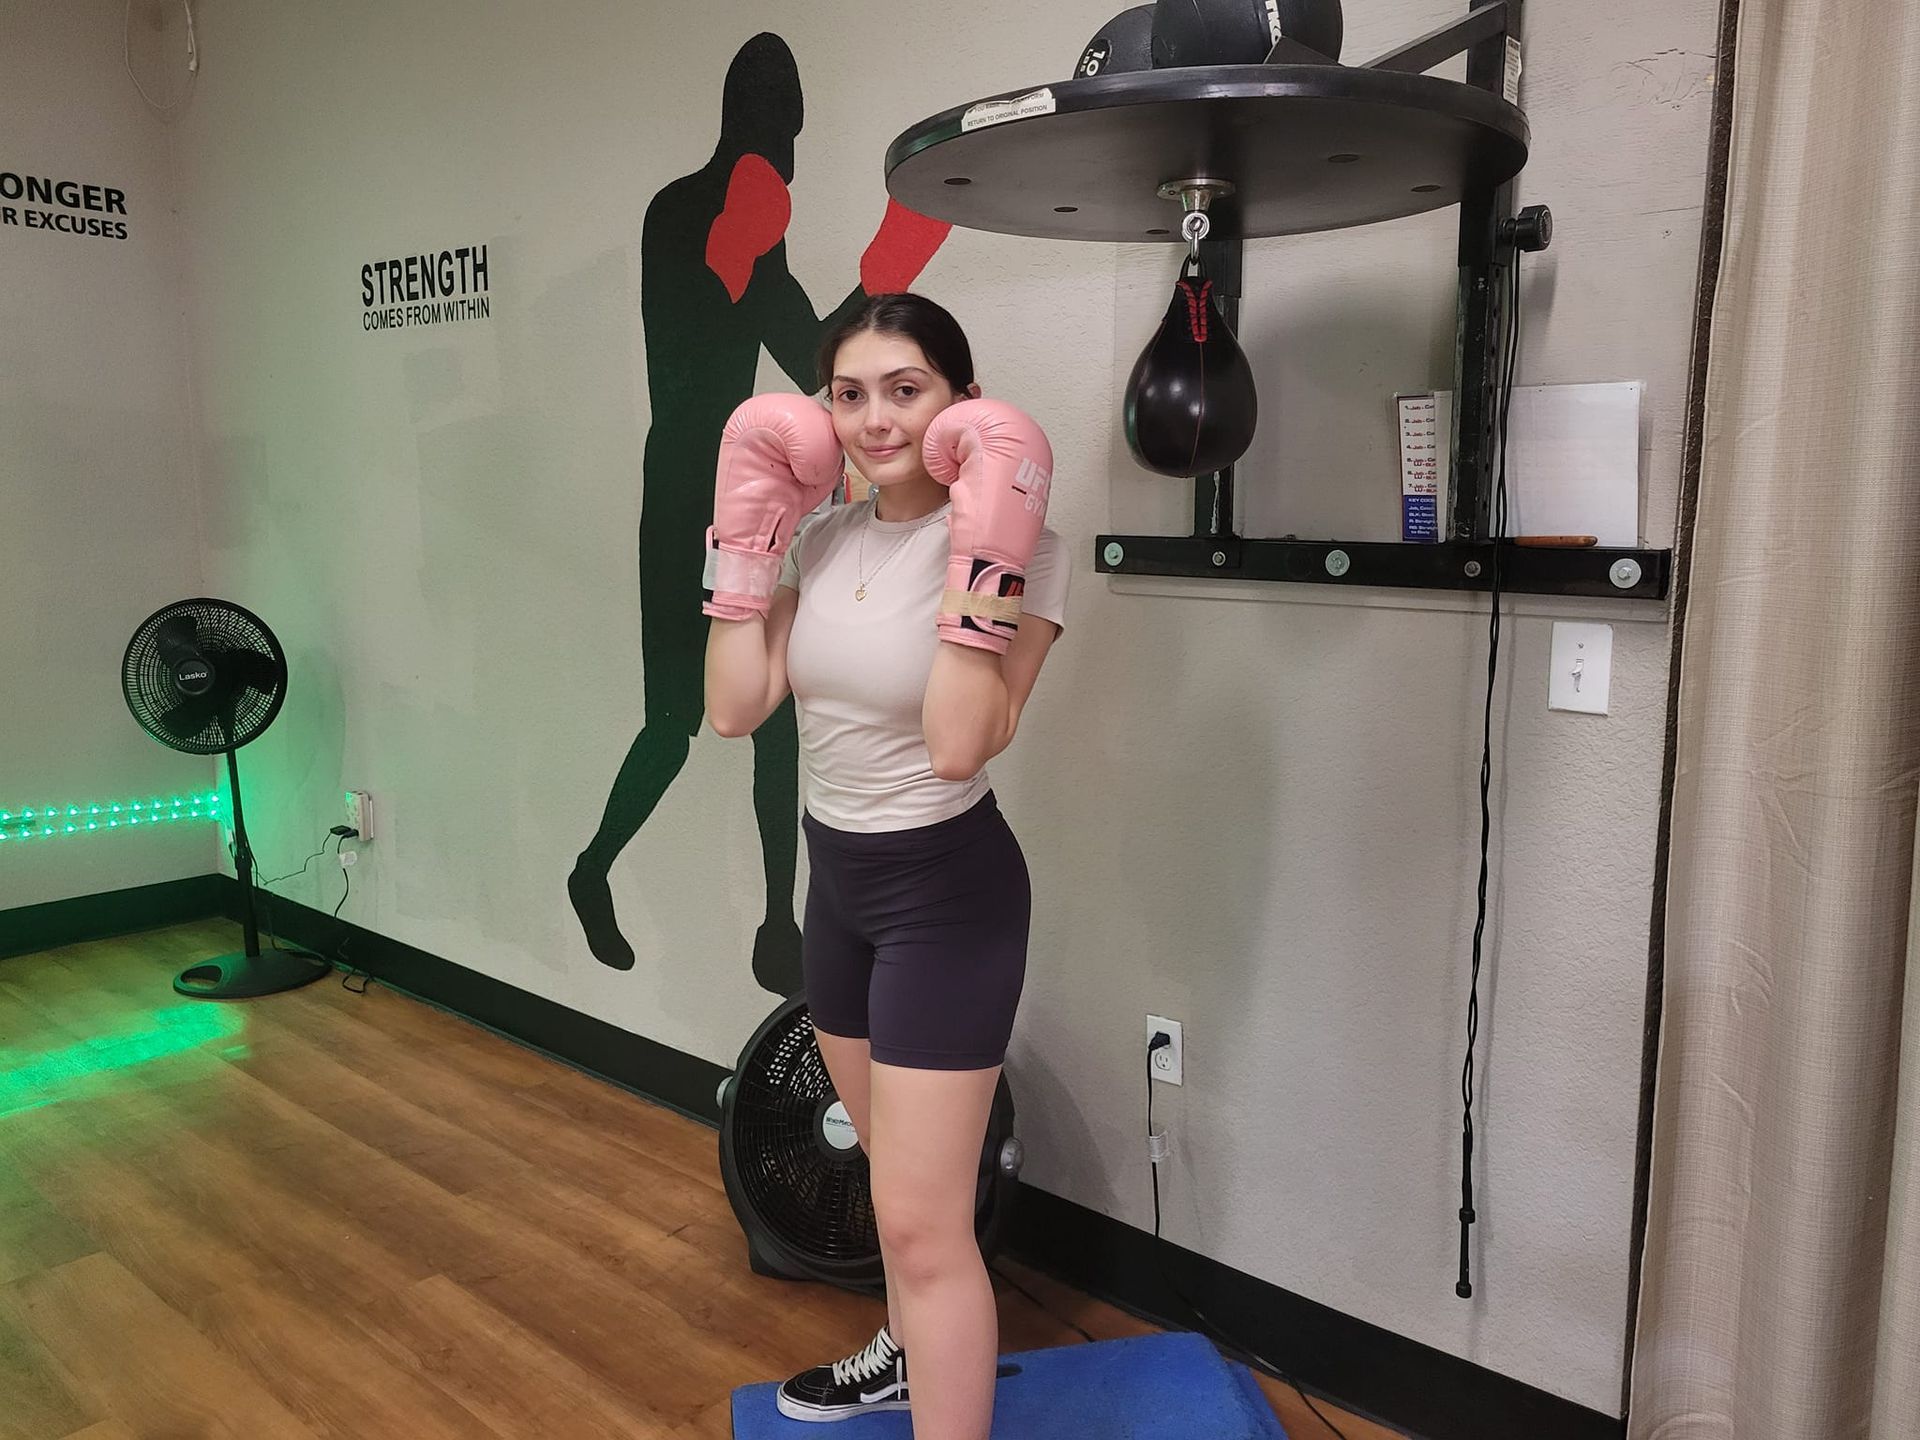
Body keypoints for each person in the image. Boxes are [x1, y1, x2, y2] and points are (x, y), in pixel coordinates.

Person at [702, 292, 1068, 1438]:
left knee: (922, 1222)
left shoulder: (1025, 550)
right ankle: (907, 1359)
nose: (874, 420)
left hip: (947, 900)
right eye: (849, 394)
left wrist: (980, 554)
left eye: (905, 390)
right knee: (885, 1181)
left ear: (962, 401)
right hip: (841, 892)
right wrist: (745, 549)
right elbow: (734, 706)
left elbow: (962, 742)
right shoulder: (821, 539)